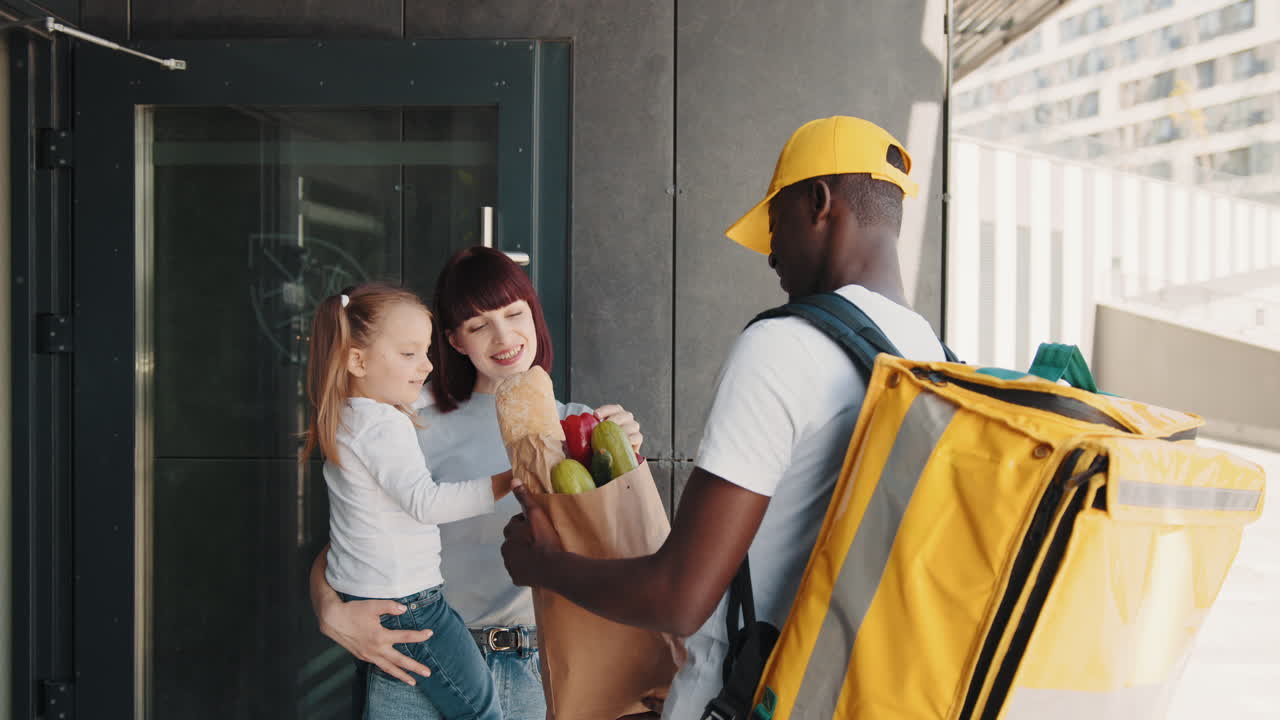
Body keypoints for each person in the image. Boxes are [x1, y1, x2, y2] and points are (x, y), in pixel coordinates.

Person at [499, 116, 948, 718]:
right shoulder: (931, 356)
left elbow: (681, 597)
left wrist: (544, 567)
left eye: (774, 224)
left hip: (745, 697)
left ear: (818, 202)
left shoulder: (784, 345)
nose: (770, 255)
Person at [309, 248, 644, 720]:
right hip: (415, 655)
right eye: (479, 324)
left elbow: (619, 554)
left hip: (532, 663)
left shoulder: (573, 429)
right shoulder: (407, 418)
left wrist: (623, 457)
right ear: (455, 340)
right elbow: (350, 541)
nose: (504, 336)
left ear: (534, 316)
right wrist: (332, 612)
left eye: (514, 313)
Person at [303, 281, 513, 719]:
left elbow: (416, 395)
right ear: (357, 360)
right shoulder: (383, 424)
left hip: (369, 598)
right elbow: (427, 504)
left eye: (427, 352)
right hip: (412, 607)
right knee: (482, 712)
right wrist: (509, 480)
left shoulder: (352, 412)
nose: (428, 366)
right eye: (409, 354)